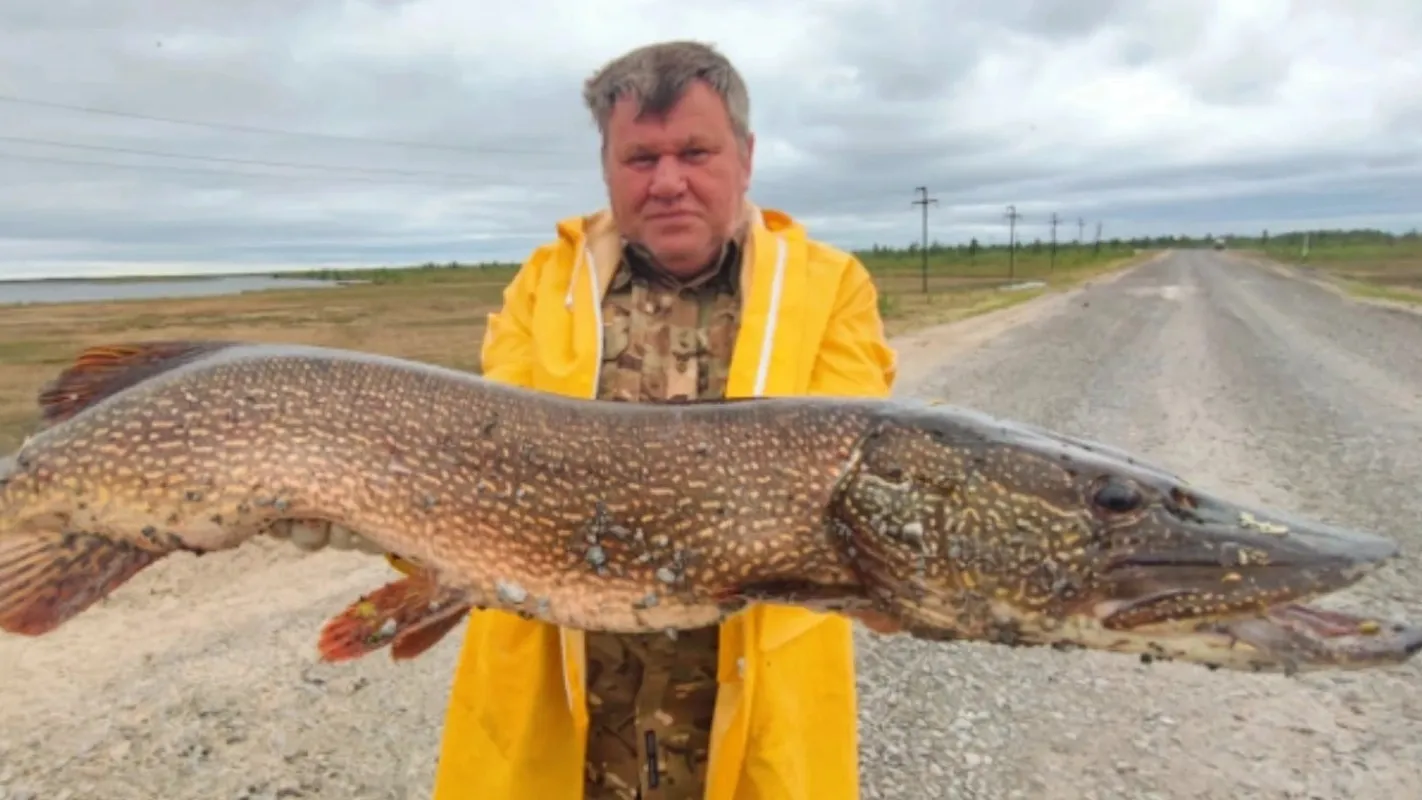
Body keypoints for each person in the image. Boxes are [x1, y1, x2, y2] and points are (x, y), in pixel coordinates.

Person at [420, 40, 899, 800]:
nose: (669, 182)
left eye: (696, 152)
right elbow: (472, 476)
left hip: (749, 714)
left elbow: (838, 489)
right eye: (641, 159)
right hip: (565, 720)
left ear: (744, 157)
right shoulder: (541, 288)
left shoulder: (832, 287)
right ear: (607, 170)